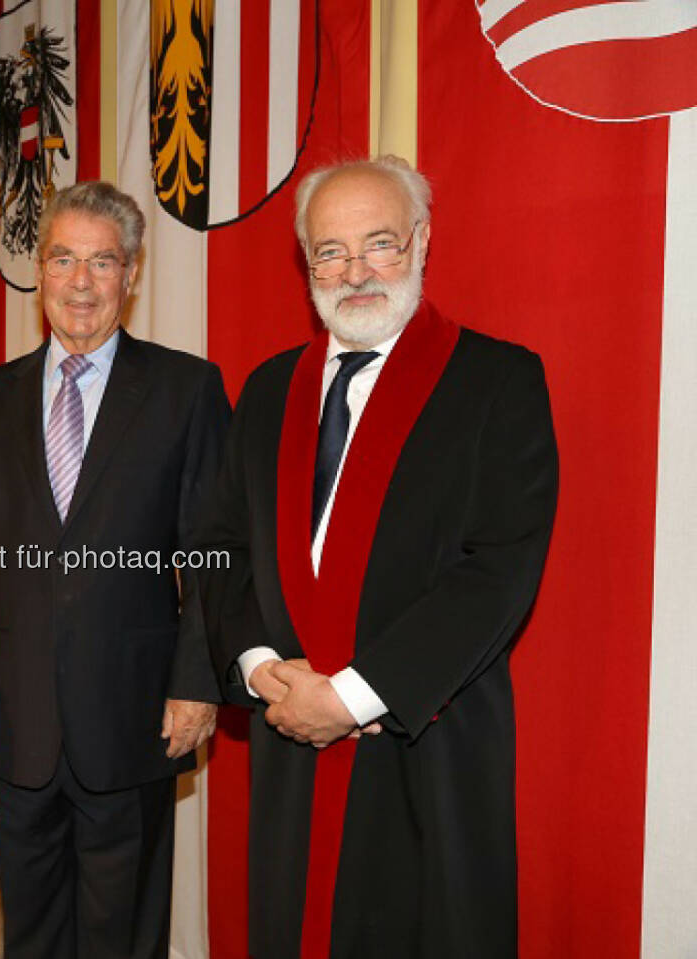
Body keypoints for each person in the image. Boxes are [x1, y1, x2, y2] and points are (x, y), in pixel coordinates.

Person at [203, 156, 559, 958]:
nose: (355, 271)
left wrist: (358, 695)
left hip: (424, 739)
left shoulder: (497, 381)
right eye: (330, 251)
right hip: (291, 729)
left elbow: (498, 569)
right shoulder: (267, 393)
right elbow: (225, 549)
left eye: (380, 243)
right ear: (306, 264)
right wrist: (263, 669)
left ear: (422, 241)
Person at [0, 181, 230, 959]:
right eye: (62, 258)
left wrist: (198, 680)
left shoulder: (186, 390)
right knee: (30, 924)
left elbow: (212, 553)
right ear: (39, 268)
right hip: (15, 709)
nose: (79, 280)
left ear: (130, 275)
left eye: (101, 262)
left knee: (123, 928)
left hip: (135, 712)